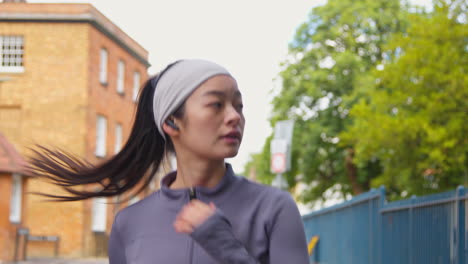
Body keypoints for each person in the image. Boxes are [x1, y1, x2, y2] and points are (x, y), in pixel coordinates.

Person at [29, 59, 309, 263]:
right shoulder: (129, 223)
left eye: (238, 105)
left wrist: (226, 248)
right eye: (217, 104)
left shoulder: (274, 208)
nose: (234, 116)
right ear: (172, 123)